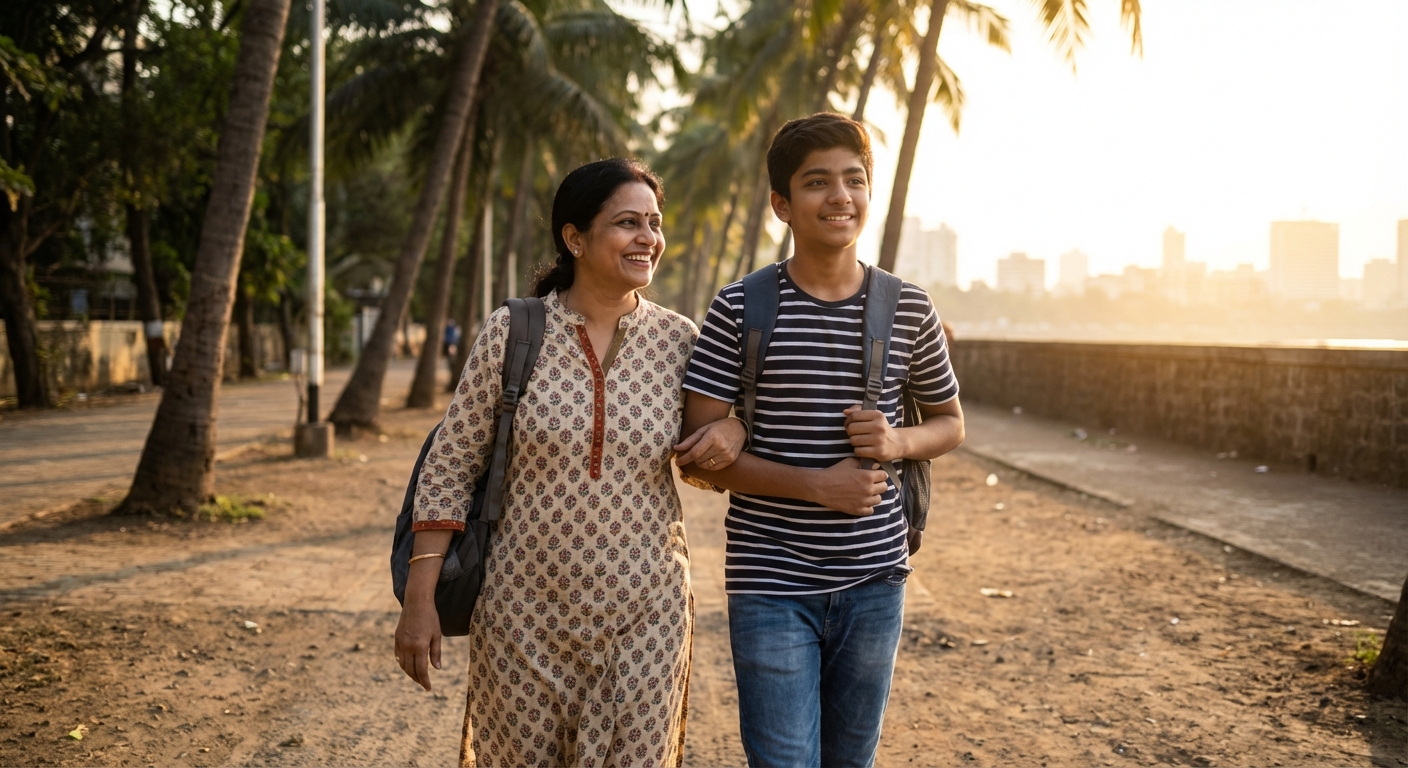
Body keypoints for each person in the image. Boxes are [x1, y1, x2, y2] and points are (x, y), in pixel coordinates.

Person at [394, 158, 746, 767]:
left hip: (647, 612)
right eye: (627, 222)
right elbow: (450, 467)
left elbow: (706, 450)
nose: (648, 238)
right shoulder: (514, 332)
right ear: (574, 237)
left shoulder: (680, 340)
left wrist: (734, 429)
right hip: (522, 615)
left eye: (654, 223)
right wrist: (419, 601)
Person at [677, 113, 965, 767]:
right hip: (770, 582)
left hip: (875, 580)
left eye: (854, 179)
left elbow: (950, 424)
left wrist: (895, 444)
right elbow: (699, 454)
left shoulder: (909, 307)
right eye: (816, 182)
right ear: (782, 203)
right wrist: (816, 486)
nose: (840, 196)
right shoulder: (740, 307)